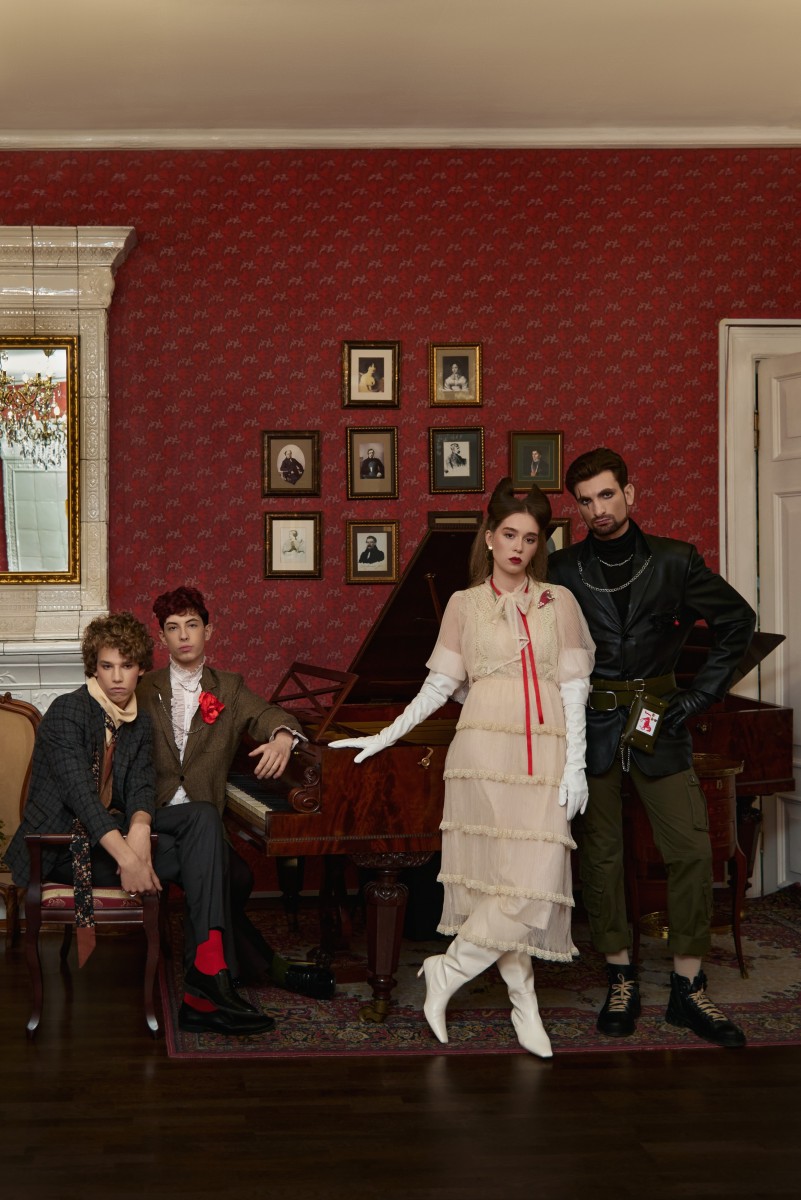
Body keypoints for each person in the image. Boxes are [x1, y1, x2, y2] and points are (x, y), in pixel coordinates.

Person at [330, 479, 595, 1057]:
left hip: (546, 754)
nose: (519, 547)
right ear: (489, 537)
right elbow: (438, 687)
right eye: (509, 535)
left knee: (533, 883)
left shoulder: (560, 602)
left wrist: (576, 764)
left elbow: (575, 689)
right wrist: (384, 734)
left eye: (530, 538)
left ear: (540, 544)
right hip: (481, 754)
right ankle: (524, 1003)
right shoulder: (463, 604)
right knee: (503, 884)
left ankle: (447, 970)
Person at [548, 447, 756, 1048]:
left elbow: (737, 622)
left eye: (607, 495)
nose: (598, 509)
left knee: (690, 849)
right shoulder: (561, 569)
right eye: (586, 501)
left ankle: (688, 987)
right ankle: (621, 978)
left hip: (658, 721)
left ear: (630, 494)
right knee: (601, 858)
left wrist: (698, 697)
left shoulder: (675, 560)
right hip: (590, 726)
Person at [5, 612, 275, 1037]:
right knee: (210, 862)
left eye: (126, 666)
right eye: (107, 666)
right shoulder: (67, 711)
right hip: (61, 847)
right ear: (93, 667)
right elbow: (82, 798)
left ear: (140, 670)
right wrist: (131, 859)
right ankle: (208, 985)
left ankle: (207, 978)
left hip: (110, 833)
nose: (117, 677)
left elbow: (142, 786)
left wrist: (140, 829)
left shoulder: (137, 719)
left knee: (203, 816)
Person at [137, 586, 335, 1000]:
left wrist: (283, 737)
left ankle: (215, 965)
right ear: (161, 637)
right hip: (152, 817)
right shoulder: (142, 687)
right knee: (221, 877)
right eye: (173, 628)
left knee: (238, 876)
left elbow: (269, 714)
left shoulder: (229, 687)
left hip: (204, 823)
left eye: (192, 625)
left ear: (208, 631)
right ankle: (261, 970)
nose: (183, 635)